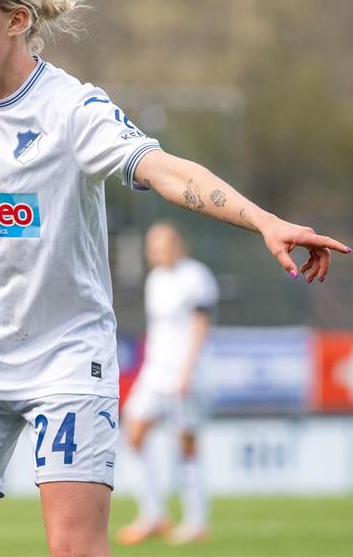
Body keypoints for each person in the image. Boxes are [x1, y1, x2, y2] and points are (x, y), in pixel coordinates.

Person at [0, 0, 351, 557]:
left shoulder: (72, 109)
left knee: (75, 550)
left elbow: (165, 170)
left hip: (67, 360)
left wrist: (263, 220)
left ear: (16, 20)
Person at [117, 223, 218, 547]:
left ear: (178, 244)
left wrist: (188, 371)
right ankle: (153, 514)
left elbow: (201, 324)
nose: (155, 250)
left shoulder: (196, 276)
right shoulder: (155, 280)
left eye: (161, 243)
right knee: (133, 431)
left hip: (186, 373)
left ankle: (196, 520)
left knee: (185, 445)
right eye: (152, 244)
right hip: (155, 373)